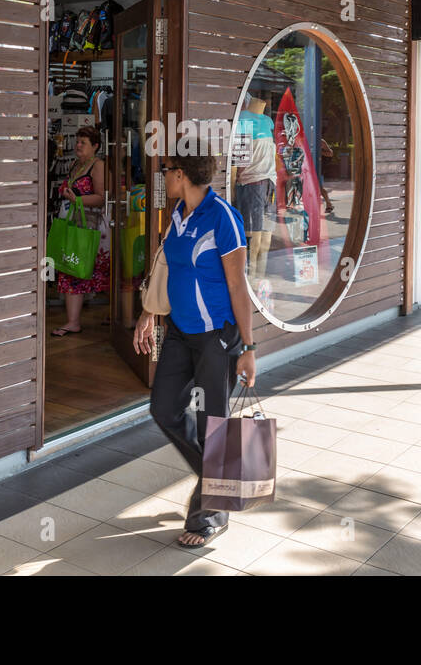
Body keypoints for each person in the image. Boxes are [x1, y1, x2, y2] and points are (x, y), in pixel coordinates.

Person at [133, 151, 255, 549]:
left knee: (212, 424)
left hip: (217, 336)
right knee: (163, 408)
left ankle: (211, 514)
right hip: (181, 332)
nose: (162, 177)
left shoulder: (223, 217)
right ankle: (217, 477)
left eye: (166, 171)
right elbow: (167, 268)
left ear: (181, 174)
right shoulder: (179, 215)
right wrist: (149, 314)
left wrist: (248, 347)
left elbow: (238, 286)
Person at [51, 126, 109, 336]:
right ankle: (72, 321)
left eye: (83, 142)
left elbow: (102, 197)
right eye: (77, 141)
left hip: (89, 226)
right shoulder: (76, 164)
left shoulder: (98, 165)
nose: (78, 145)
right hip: (73, 223)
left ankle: (117, 315)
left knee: (82, 267)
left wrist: (76, 199)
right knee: (71, 267)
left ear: (95, 146)